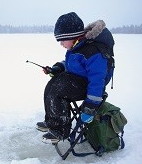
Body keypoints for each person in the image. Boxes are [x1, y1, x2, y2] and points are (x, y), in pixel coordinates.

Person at [36, 12, 115, 144]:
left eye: (62, 40)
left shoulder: (93, 51)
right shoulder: (77, 47)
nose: (61, 44)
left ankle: (60, 130)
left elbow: (97, 81)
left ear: (72, 36)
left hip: (89, 88)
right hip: (77, 81)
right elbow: (71, 65)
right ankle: (52, 121)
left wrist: (90, 107)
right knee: (52, 84)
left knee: (58, 88)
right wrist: (57, 68)